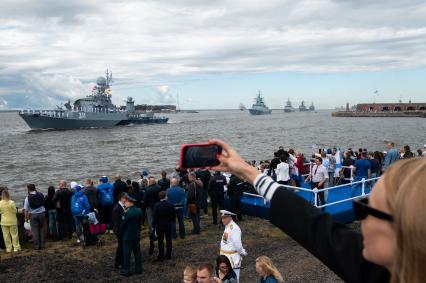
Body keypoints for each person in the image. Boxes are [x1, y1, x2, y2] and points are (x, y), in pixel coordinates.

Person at [208, 139, 426, 283]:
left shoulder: (375, 272)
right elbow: (313, 224)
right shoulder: (385, 269)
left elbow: (317, 229)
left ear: (410, 227)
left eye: (369, 209)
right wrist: (248, 171)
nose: (362, 222)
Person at [219, 210, 247, 282]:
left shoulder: (234, 228)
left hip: (232, 258)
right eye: (222, 218)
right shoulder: (227, 226)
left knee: (233, 279)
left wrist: (242, 252)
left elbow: (237, 244)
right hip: (225, 256)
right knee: (224, 278)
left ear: (230, 217)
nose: (222, 220)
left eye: (224, 218)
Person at [120, 194, 143, 277]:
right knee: (137, 253)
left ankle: (126, 270)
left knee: (127, 254)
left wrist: (121, 233)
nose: (125, 203)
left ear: (129, 202)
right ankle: (138, 269)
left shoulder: (126, 213)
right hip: (136, 235)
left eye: (125, 202)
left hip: (128, 236)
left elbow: (122, 226)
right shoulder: (139, 210)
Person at [152, 191, 175, 261]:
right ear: (165, 196)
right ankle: (168, 255)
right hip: (168, 224)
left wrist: (153, 225)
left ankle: (161, 256)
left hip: (160, 225)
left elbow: (154, 217)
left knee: (160, 241)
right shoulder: (170, 204)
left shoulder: (156, 205)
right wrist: (171, 221)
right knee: (169, 240)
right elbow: (173, 215)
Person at [24, 184, 46, 250]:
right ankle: (42, 245)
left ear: (28, 189)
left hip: (33, 215)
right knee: (42, 229)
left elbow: (26, 210)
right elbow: (43, 203)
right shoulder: (41, 194)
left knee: (35, 230)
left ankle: (37, 246)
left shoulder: (27, 198)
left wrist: (26, 218)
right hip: (42, 213)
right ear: (34, 188)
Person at [143, 176, 162, 254]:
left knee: (151, 222)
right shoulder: (159, 187)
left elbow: (145, 200)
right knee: (158, 220)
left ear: (150, 182)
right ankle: (158, 231)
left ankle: (152, 233)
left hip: (150, 207)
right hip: (158, 206)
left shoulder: (147, 189)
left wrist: (145, 206)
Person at [113, 193, 126, 269]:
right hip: (119, 230)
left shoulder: (122, 206)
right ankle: (118, 263)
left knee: (122, 246)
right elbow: (118, 222)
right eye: (125, 198)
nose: (126, 200)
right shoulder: (117, 208)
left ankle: (121, 261)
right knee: (120, 246)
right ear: (120, 198)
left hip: (121, 229)